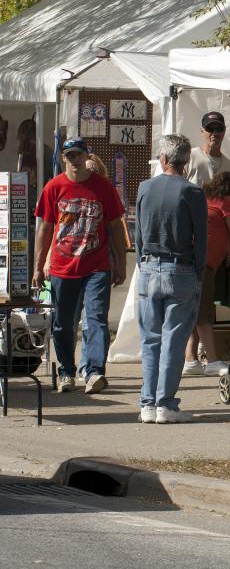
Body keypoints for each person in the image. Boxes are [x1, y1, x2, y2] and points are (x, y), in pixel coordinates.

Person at [32, 137, 127, 394]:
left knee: (95, 319)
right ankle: (66, 371)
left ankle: (94, 371)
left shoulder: (103, 187)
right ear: (63, 158)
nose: (74, 160)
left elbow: (115, 226)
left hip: (96, 266)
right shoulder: (54, 187)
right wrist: (38, 266)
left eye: (78, 155)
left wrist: (120, 261)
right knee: (63, 323)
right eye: (69, 155)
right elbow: (45, 228)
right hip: (63, 266)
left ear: (86, 156)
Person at [134, 135, 207, 423]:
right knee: (174, 339)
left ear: (163, 160)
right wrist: (198, 272)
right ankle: (165, 403)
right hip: (181, 268)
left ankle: (148, 402)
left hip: (150, 266)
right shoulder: (193, 192)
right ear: (185, 162)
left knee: (150, 339)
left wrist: (144, 263)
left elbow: (139, 235)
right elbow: (201, 238)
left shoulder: (144, 188)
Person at [182, 171, 230, 377]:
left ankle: (190, 359)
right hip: (204, 261)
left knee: (194, 309)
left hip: (188, 258)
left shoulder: (202, 197)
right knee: (204, 311)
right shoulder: (227, 202)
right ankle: (212, 360)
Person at [187, 112, 230, 203]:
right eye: (210, 129)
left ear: (224, 131)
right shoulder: (188, 157)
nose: (215, 133)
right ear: (202, 131)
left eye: (219, 129)